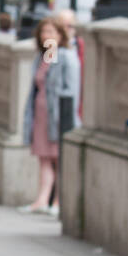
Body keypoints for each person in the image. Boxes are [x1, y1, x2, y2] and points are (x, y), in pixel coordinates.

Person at [19, 14, 81, 217]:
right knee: (44, 158)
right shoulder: (46, 56)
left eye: (51, 32)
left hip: (58, 115)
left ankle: (58, 201)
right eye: (44, 31)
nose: (47, 35)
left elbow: (71, 89)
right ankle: (42, 199)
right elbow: (41, 82)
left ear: (60, 34)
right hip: (41, 113)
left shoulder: (67, 57)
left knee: (59, 159)